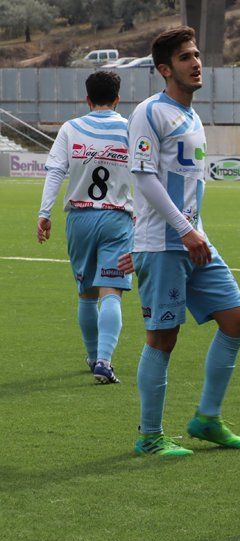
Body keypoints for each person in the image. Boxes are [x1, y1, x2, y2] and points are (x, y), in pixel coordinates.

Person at [123, 26, 240, 456]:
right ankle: (149, 436)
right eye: (185, 57)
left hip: (194, 240)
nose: (196, 63)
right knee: (162, 338)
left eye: (197, 55)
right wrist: (179, 230)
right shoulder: (149, 112)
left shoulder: (193, 117)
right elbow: (143, 176)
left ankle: (207, 419)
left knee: (236, 321)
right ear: (164, 69)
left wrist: (195, 232)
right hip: (166, 242)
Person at [37, 70, 133, 385]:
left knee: (86, 294)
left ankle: (93, 356)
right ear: (118, 99)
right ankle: (105, 360)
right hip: (117, 218)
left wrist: (45, 213)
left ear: (87, 99)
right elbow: (146, 177)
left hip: (79, 218)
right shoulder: (130, 129)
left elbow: (54, 171)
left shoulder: (71, 128)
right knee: (111, 293)